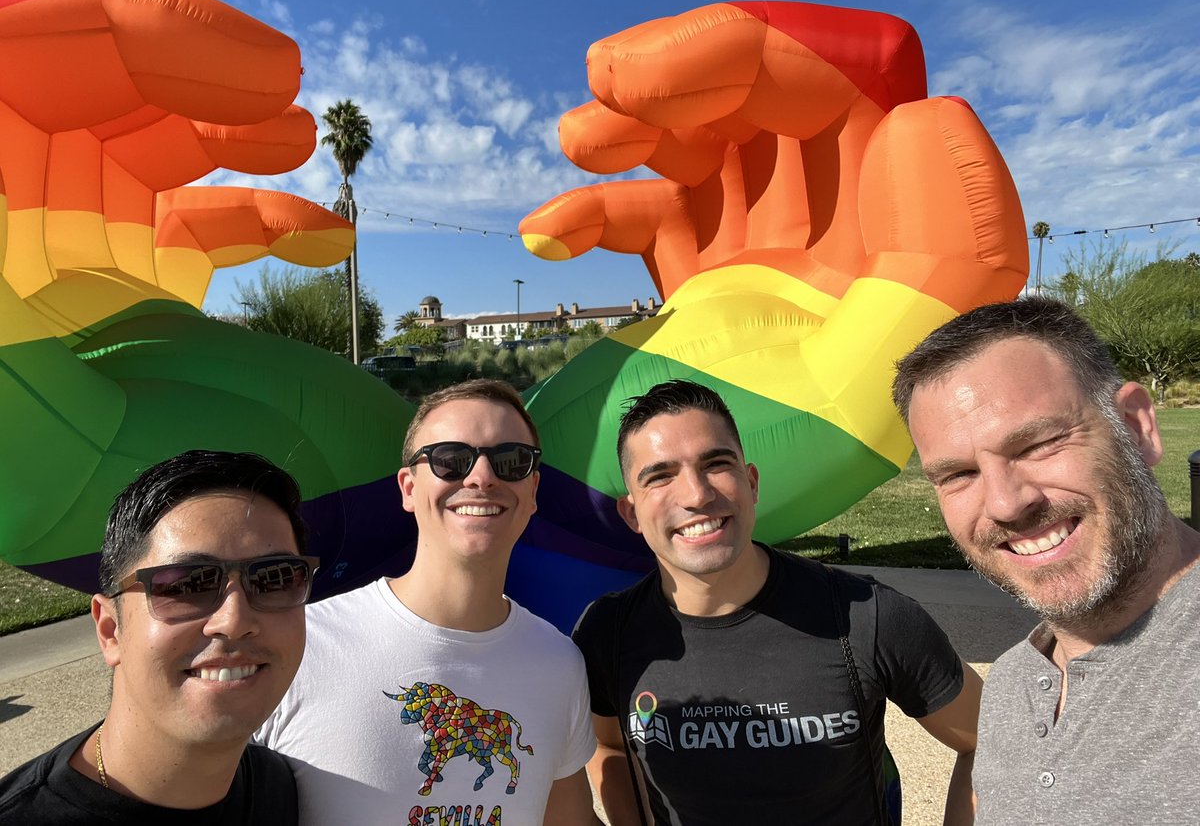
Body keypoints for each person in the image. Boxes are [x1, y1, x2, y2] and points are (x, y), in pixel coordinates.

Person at [572, 379, 982, 826]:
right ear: (631, 513)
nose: (696, 495)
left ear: (750, 483)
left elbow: (990, 739)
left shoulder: (866, 615)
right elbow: (607, 745)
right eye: (660, 476)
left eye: (716, 463)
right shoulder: (606, 633)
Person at [893, 296, 1200, 824]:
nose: (1007, 503)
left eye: (1037, 444)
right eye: (958, 475)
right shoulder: (1015, 680)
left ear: (1137, 427)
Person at [256, 379, 599, 825]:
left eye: (510, 461)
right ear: (409, 488)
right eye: (451, 460)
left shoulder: (560, 662)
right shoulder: (300, 644)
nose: (481, 477)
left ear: (532, 492)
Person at [0, 449, 315, 824]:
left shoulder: (283, 788)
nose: (233, 621)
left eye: (273, 577)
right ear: (110, 630)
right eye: (185, 585)